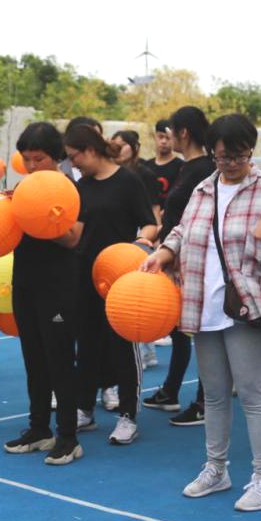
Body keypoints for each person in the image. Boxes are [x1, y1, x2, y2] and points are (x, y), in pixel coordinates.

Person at [144, 113, 261, 510]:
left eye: (239, 156)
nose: (230, 164)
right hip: (204, 302)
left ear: (251, 152)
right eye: (223, 156)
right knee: (213, 394)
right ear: (212, 152)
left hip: (248, 304)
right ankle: (216, 468)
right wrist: (164, 252)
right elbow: (184, 230)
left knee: (253, 392)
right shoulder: (204, 188)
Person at [65, 123, 158, 445]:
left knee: (122, 348)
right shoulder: (81, 187)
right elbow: (75, 233)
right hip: (86, 276)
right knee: (87, 345)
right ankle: (84, 408)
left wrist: (140, 243)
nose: (72, 163)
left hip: (121, 279)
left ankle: (128, 415)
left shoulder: (128, 181)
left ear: (90, 151)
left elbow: (149, 223)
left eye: (74, 156)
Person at [3, 122, 85, 465]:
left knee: (59, 359)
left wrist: (38, 216)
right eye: (27, 159)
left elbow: (72, 238)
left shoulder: (69, 188)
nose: (32, 165)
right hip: (24, 282)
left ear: (56, 157)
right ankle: (39, 428)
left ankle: (68, 436)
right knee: (33, 358)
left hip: (58, 286)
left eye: (39, 158)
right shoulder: (23, 188)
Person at [143, 106, 215, 425]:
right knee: (179, 329)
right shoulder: (189, 167)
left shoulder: (204, 169)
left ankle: (205, 400)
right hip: (174, 255)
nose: (168, 137)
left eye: (170, 131)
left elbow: (195, 220)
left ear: (183, 133)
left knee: (201, 332)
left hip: (194, 261)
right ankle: (172, 390)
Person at [113, 128, 162, 369]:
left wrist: (153, 240)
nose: (116, 149)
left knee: (139, 298)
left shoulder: (144, 174)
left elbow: (153, 210)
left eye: (121, 145)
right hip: (120, 246)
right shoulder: (113, 173)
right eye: (113, 144)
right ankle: (144, 350)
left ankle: (145, 350)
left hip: (141, 241)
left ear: (134, 148)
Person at [146, 118, 184, 208]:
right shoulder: (146, 166)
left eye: (167, 138)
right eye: (160, 137)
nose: (164, 141)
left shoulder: (181, 166)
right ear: (155, 137)